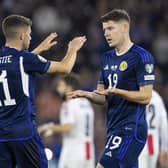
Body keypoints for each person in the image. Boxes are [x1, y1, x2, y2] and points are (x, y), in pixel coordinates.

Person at [68, 9, 155, 168]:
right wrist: (87, 94)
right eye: (104, 30)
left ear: (124, 27)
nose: (106, 34)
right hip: (113, 129)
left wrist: (118, 91)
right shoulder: (106, 57)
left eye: (110, 28)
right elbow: (102, 97)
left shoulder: (141, 57)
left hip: (131, 129)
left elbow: (146, 96)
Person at [0, 14, 86, 168]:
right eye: (30, 34)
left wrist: (39, 49)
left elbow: (16, 64)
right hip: (23, 131)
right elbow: (65, 68)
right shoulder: (25, 59)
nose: (30, 38)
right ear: (22, 35)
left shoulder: (12, 59)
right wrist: (72, 49)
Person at [38, 74, 95, 168]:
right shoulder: (86, 103)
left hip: (74, 151)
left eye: (61, 85)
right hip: (88, 150)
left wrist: (47, 127)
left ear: (69, 87)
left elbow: (68, 127)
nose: (58, 88)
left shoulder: (68, 104)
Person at [139, 90, 168, 168]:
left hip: (139, 141)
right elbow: (164, 123)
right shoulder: (158, 98)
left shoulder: (136, 96)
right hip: (153, 142)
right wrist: (165, 147)